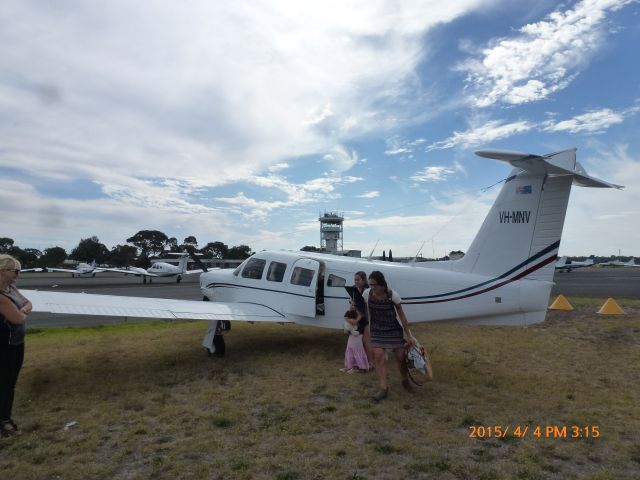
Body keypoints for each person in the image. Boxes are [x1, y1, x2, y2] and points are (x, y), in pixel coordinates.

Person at [363, 270, 417, 401]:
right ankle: (383, 388)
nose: (372, 287)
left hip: (393, 329)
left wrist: (408, 335)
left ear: (382, 284)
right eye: (370, 284)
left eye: (375, 284)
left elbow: (402, 316)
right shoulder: (367, 294)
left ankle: (405, 380)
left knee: (400, 356)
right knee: (379, 356)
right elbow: (366, 310)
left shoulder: (392, 295)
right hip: (377, 329)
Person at [0, 254, 32, 437]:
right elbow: (17, 318)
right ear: (3, 271)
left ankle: (6, 419)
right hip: (4, 346)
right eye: (15, 271)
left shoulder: (11, 288)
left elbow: (28, 303)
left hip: (17, 343)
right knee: (4, 383)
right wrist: (23, 311)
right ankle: (3, 423)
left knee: (10, 383)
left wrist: (24, 309)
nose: (18, 275)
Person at [350, 271, 373, 367]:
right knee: (360, 340)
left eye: (358, 280)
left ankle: (371, 362)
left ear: (364, 280)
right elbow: (352, 305)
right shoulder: (355, 291)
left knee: (366, 340)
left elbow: (368, 306)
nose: (356, 282)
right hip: (359, 319)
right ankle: (363, 361)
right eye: (355, 280)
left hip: (367, 318)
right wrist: (352, 307)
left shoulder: (367, 291)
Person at [340, 306, 369, 373]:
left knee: (356, 350)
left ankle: (358, 367)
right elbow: (347, 320)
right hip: (352, 334)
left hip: (358, 334)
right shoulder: (350, 313)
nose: (352, 306)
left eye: (354, 305)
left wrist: (347, 319)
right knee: (349, 349)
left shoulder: (361, 313)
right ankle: (349, 366)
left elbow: (355, 322)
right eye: (351, 304)